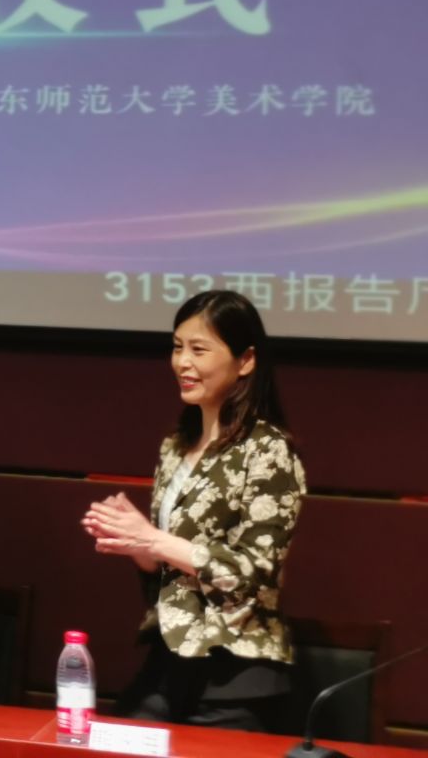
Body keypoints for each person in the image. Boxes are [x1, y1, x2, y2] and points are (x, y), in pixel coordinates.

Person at [83, 289, 305, 732]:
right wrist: (136, 545)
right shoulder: (175, 447)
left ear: (246, 361)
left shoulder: (269, 451)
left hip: (236, 670)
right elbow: (170, 570)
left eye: (199, 350)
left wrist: (153, 539)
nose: (183, 362)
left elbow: (253, 572)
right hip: (170, 660)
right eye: (177, 347)